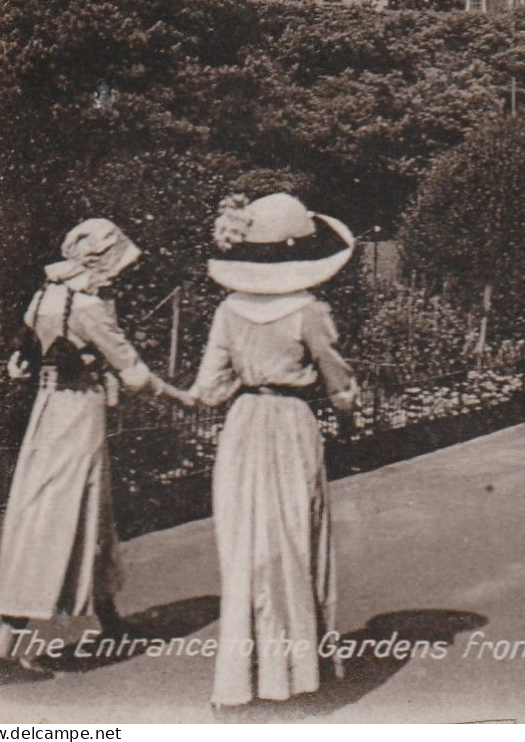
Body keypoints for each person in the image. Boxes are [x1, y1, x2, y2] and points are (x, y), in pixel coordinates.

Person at [177, 192, 359, 708]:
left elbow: (209, 388)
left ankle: (245, 677)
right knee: (294, 541)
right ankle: (297, 672)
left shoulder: (228, 310)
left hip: (243, 428)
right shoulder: (310, 311)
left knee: (247, 550)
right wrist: (347, 405)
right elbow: (338, 381)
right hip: (290, 424)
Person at [0, 220, 181, 683]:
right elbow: (133, 371)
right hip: (79, 415)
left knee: (89, 508)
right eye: (117, 264)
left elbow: (21, 365)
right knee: (60, 515)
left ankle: (109, 618)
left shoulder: (44, 297)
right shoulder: (90, 307)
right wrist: (179, 396)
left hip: (48, 411)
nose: (120, 275)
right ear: (100, 262)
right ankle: (4, 650)